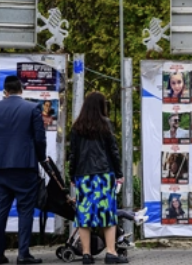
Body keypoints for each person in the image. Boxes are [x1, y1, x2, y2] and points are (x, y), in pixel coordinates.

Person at [0, 75, 47, 265]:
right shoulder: (32, 108)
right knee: (26, 210)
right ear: (21, 90)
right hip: (25, 167)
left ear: (5, 92)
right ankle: (23, 254)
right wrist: (40, 158)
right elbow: (40, 138)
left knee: (0, 211)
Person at [68, 91, 127, 265]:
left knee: (84, 215)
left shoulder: (77, 126)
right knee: (107, 214)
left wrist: (72, 175)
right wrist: (119, 173)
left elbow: (73, 154)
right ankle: (111, 253)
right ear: (101, 106)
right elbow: (113, 151)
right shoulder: (105, 124)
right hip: (104, 175)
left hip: (83, 176)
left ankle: (86, 254)